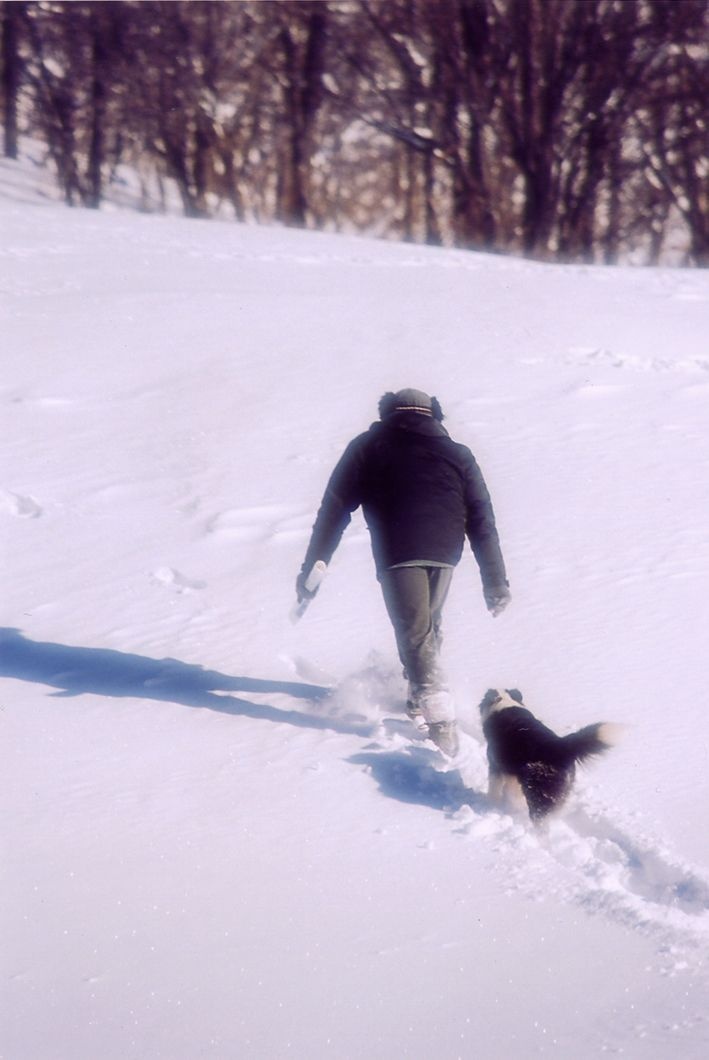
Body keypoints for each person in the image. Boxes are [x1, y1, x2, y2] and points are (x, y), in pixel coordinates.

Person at [295, 388, 510, 756]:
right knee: (426, 626)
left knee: (414, 631)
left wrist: (316, 561)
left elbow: (334, 508)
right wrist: (495, 581)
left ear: (388, 412)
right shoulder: (458, 453)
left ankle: (440, 721)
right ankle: (419, 695)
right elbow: (482, 521)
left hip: (398, 548)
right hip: (445, 551)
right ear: (433, 415)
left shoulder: (368, 446)